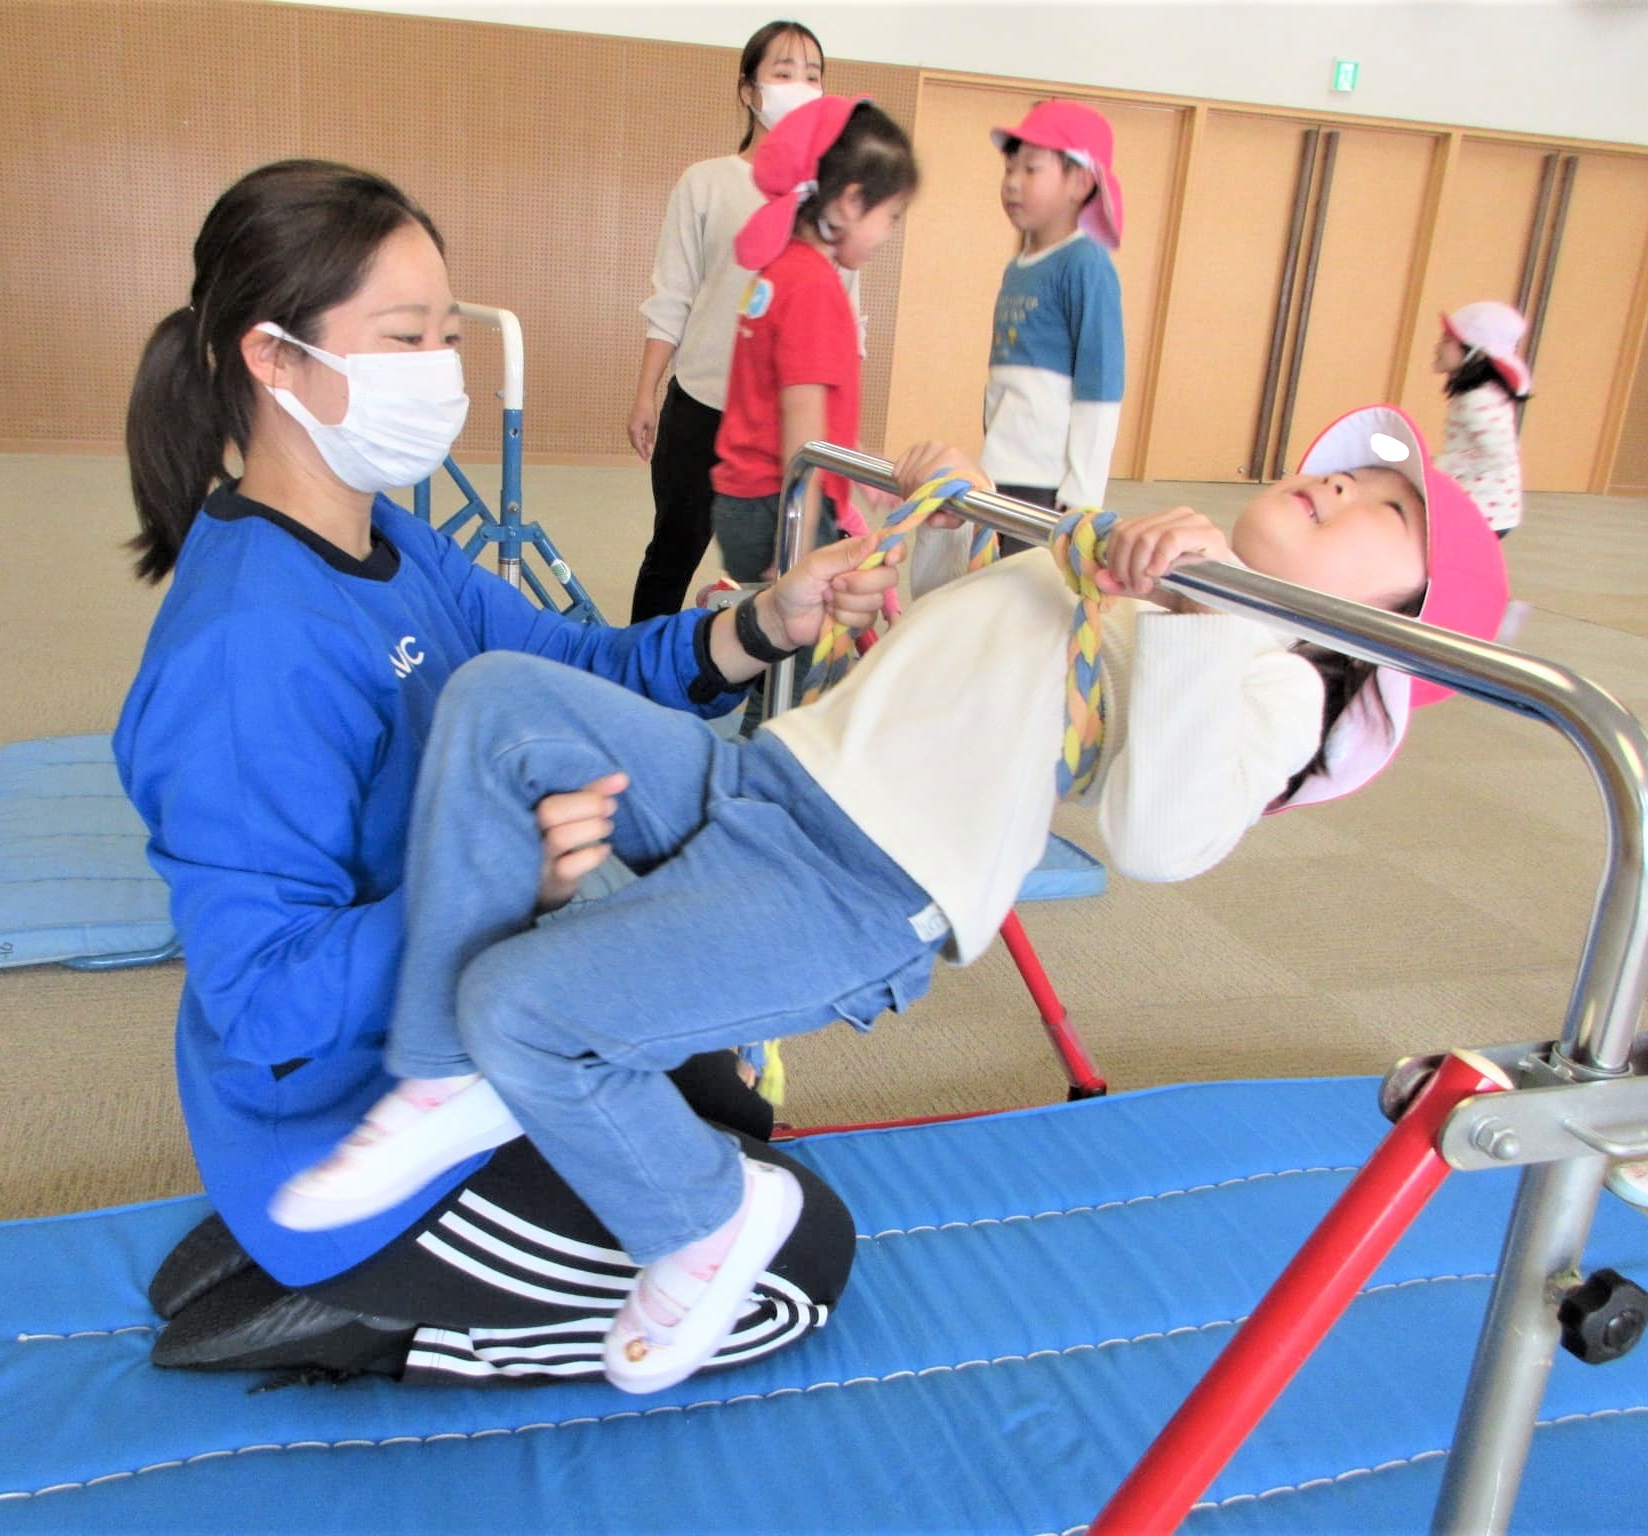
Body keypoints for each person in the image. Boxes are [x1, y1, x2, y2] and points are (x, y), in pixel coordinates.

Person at [270, 404, 1511, 1394]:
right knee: (498, 696)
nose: (1337, 483)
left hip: (856, 887)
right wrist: (954, 512)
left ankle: (705, 1221)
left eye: (1385, 505)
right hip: (769, 780)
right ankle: (439, 1079)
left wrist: (1200, 617)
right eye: (1346, 469)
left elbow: (1160, 839)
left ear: (1384, 627)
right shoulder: (1130, 567)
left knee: (521, 1009)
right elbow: (979, 644)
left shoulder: (1272, 677)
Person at [113, 158, 905, 1385]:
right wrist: (500, 880)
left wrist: (761, 623)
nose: (442, 369)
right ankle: (354, 1305)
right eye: (403, 338)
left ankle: (329, 1239)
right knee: (795, 1268)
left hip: (466, 1033)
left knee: (726, 1105)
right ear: (274, 359)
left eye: (447, 334)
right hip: (342, 1124)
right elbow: (261, 999)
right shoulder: (243, 653)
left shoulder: (391, 538)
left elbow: (580, 674)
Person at [627, 19, 854, 623]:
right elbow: (673, 293)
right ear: (750, 90)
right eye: (784, 72)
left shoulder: (831, 193)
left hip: (789, 419)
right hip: (703, 403)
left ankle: (764, 673)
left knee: (788, 566)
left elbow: (844, 319)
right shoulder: (705, 182)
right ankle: (637, 666)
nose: (800, 86)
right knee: (673, 551)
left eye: (813, 75)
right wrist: (646, 391)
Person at [708, 93, 918, 730]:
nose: (889, 233)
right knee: (800, 672)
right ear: (849, 203)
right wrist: (799, 547)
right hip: (782, 508)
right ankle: (763, 764)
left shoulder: (777, 273)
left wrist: (852, 486)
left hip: (745, 499)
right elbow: (804, 442)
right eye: (890, 216)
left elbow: (778, 408)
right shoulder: (815, 288)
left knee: (785, 655)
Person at [974, 100, 1125, 560]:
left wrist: (1082, 494)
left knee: (1030, 589)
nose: (1012, 182)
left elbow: (1101, 385)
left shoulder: (1086, 263)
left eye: (1031, 169)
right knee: (992, 583)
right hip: (1000, 471)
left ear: (1081, 181)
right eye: (1009, 169)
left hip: (1048, 485)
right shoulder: (1018, 267)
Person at [1433, 300, 1531, 539]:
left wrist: (1440, 466)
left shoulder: (1477, 399)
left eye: (1447, 340)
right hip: (1483, 506)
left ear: (1475, 352)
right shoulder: (1477, 393)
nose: (1438, 347)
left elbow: (1501, 454)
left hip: (1484, 509)